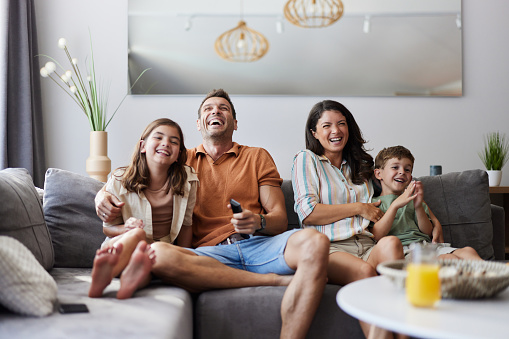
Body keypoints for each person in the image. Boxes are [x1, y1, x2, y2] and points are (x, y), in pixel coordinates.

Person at [96, 89, 329, 339]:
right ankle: (270, 280)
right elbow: (134, 176)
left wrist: (258, 221)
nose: (215, 111)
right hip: (208, 253)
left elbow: (280, 221)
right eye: (208, 108)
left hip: (260, 246)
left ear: (235, 123)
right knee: (158, 255)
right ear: (198, 123)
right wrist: (100, 196)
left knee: (316, 242)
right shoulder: (179, 160)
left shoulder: (257, 156)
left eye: (223, 108)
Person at [291, 100, 406, 339]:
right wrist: (358, 208)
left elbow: (391, 189)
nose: (336, 131)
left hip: (366, 244)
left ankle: (404, 333)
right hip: (330, 249)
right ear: (315, 132)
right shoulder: (307, 159)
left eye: (341, 124)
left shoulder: (361, 166)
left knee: (393, 245)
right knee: (364, 272)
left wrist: (432, 218)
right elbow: (308, 213)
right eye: (327, 126)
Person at [89, 118, 199, 299]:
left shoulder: (188, 181)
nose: (166, 143)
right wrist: (128, 228)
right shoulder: (119, 179)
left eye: (174, 141)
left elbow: (187, 224)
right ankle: (108, 271)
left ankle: (132, 280)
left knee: (150, 261)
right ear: (142, 146)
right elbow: (106, 227)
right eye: (159, 137)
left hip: (159, 249)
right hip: (123, 245)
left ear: (178, 153)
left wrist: (184, 255)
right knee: (138, 235)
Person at [372, 145, 481, 260]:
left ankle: (493, 274)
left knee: (469, 251)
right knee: (449, 259)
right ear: (379, 174)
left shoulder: (414, 198)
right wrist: (395, 206)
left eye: (407, 169)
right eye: (395, 167)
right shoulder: (374, 203)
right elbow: (376, 236)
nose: (402, 172)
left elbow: (428, 232)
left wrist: (418, 206)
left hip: (427, 246)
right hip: (405, 250)